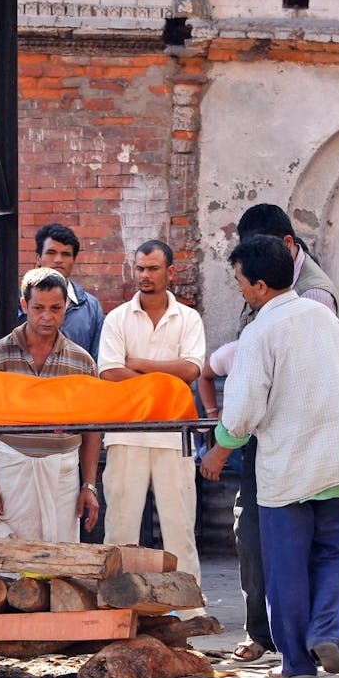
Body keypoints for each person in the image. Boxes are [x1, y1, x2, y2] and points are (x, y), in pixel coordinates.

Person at [206, 235, 339, 678]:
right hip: (337, 461)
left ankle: (297, 662)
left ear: (259, 285)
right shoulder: (324, 315)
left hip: (287, 472)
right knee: (335, 553)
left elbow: (240, 415)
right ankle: (326, 630)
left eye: (239, 281)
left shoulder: (260, 331)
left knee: (287, 568)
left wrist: (217, 444)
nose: (238, 288)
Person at [97, 240, 206, 582]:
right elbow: (109, 372)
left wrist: (141, 365)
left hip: (175, 437)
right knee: (120, 529)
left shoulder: (188, 318)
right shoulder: (117, 318)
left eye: (153, 268)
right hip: (125, 433)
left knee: (180, 531)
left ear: (170, 272)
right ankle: (116, 604)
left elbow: (191, 370)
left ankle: (190, 608)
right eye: (140, 268)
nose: (144, 275)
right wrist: (165, 384)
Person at [0, 268, 101, 543]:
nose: (47, 316)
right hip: (10, 472)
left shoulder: (83, 362)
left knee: (62, 559)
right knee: (11, 561)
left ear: (66, 306)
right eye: (38, 308)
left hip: (64, 474)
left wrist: (89, 485)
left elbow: (92, 430)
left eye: (55, 308)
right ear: (24, 306)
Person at [31, 223, 104, 359]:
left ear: (73, 260)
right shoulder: (19, 302)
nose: (59, 260)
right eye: (51, 253)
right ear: (38, 258)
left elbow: (97, 359)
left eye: (65, 254)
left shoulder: (90, 307)